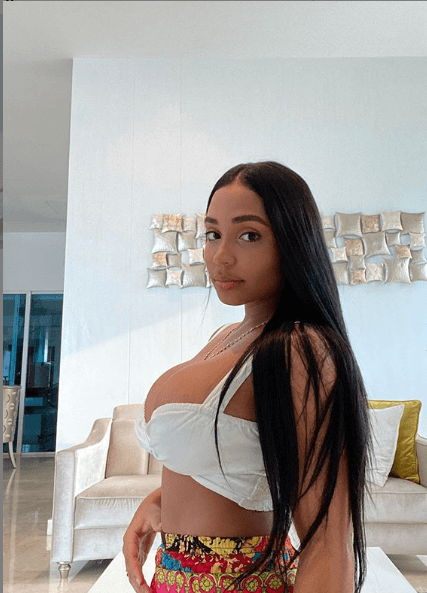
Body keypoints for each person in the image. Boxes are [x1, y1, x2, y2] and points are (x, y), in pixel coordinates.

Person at [124, 161, 371, 593]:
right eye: (213, 234)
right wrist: (160, 501)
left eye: (249, 235)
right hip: (173, 575)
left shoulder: (301, 349)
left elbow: (328, 539)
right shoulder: (227, 336)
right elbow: (238, 465)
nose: (221, 256)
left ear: (293, 243)